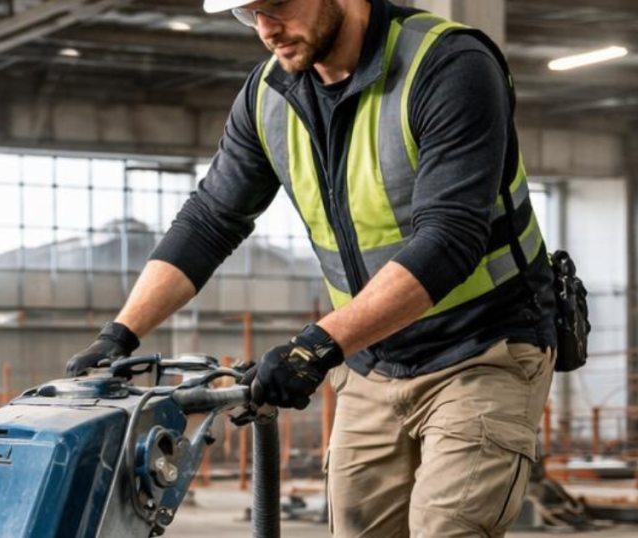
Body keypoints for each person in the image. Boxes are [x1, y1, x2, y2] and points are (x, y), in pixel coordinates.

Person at [66, 0, 557, 536]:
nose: (265, 29)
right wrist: (120, 334)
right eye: (248, 13)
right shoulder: (268, 94)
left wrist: (316, 347)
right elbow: (209, 220)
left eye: (276, 4)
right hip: (373, 360)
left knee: (447, 527)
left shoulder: (448, 65)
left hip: (482, 350)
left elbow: (449, 240)